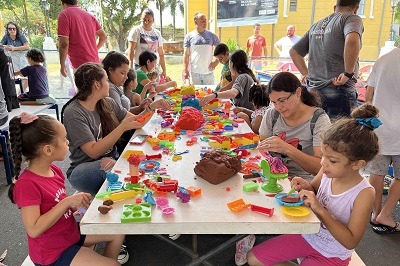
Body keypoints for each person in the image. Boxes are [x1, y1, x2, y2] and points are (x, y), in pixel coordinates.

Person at [246, 103, 380, 266]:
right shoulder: (327, 171)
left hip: (332, 254)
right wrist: (304, 186)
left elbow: (351, 241)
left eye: (332, 160)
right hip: (307, 235)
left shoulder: (364, 193)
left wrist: (320, 210)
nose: (323, 163)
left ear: (357, 164)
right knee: (253, 258)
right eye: (323, 156)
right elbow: (313, 189)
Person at [8, 113, 126, 266]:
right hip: (52, 252)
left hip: (69, 234)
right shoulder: (27, 184)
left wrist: (72, 207)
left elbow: (54, 203)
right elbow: (34, 229)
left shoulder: (54, 170)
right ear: (48, 150)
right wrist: (66, 203)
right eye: (64, 139)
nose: (68, 142)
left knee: (118, 230)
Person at [61, 63, 160, 195]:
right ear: (97, 85)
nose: (109, 84)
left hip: (112, 160)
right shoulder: (74, 113)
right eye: (106, 80)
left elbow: (137, 122)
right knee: (108, 164)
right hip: (83, 170)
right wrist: (122, 127)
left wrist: (152, 108)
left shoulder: (107, 102)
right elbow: (93, 152)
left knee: (135, 159)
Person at [290, 0, 363, 119]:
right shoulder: (352, 18)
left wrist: (306, 74)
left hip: (313, 91)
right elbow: (352, 40)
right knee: (340, 135)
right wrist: (348, 73)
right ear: (356, 9)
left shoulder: (316, 25)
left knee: (319, 133)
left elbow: (294, 52)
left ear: (335, 8)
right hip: (337, 90)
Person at [257, 72, 331, 179]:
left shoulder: (318, 120)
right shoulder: (272, 115)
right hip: (273, 176)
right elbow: (263, 150)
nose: (278, 107)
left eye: (282, 100)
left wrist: (287, 148)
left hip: (303, 181)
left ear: (298, 92)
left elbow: (320, 167)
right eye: (274, 102)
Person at [365, 46, 400, 234]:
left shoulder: (383, 60)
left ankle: (375, 213)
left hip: (380, 128)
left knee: (377, 173)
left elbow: (368, 96)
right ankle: (385, 214)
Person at [58, 0, 107, 76]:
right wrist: (94, 49)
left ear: (62, 3)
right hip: (96, 63)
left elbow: (64, 43)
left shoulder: (64, 15)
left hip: (81, 66)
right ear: (76, 1)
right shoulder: (89, 16)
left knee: (84, 88)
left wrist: (62, 64)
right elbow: (103, 37)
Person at [126, 8, 168, 78]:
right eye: (144, 20)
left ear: (153, 21)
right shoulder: (136, 30)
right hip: (139, 67)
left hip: (154, 67)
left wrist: (164, 70)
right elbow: (131, 50)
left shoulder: (157, 33)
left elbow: (161, 53)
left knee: (154, 87)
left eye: (149, 20)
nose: (146, 22)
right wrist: (130, 68)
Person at [183, 13, 220, 85]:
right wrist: (185, 70)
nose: (205, 23)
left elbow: (221, 51)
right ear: (195, 22)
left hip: (208, 73)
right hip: (195, 73)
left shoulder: (212, 36)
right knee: (196, 95)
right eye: (202, 21)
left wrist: (215, 63)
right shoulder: (189, 36)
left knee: (209, 94)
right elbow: (186, 55)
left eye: (205, 21)